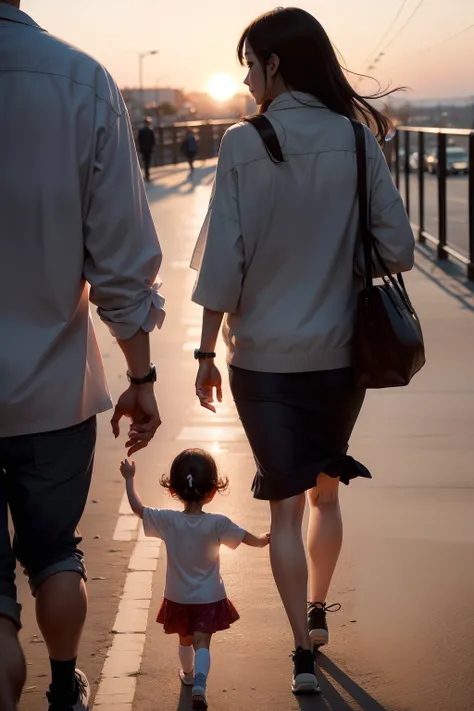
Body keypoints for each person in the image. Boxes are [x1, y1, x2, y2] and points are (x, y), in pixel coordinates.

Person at [190, 6, 415, 695]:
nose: (248, 77)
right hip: (342, 354)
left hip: (263, 357)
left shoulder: (240, 143)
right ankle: (319, 607)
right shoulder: (355, 140)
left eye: (251, 64)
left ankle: (301, 652)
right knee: (325, 488)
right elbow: (399, 248)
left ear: (275, 64)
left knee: (282, 503)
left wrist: (204, 352)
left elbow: (224, 262)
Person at [0, 3, 165, 710]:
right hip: (53, 389)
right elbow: (122, 266)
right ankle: (65, 684)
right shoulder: (81, 80)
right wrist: (142, 376)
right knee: (56, 551)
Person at [120, 449, 269, 709]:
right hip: (209, 597)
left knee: (184, 639)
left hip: (177, 596)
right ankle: (200, 682)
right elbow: (247, 538)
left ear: (173, 490)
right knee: (202, 642)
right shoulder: (218, 523)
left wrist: (129, 478)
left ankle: (188, 676)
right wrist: (263, 541)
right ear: (212, 491)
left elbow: (138, 509)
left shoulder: (167, 520)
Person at [138, 117, 156, 181]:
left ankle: (147, 174)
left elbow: (153, 140)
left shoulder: (145, 131)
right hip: (145, 149)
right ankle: (147, 174)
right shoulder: (148, 131)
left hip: (147, 149)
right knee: (146, 162)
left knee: (147, 162)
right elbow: (139, 141)